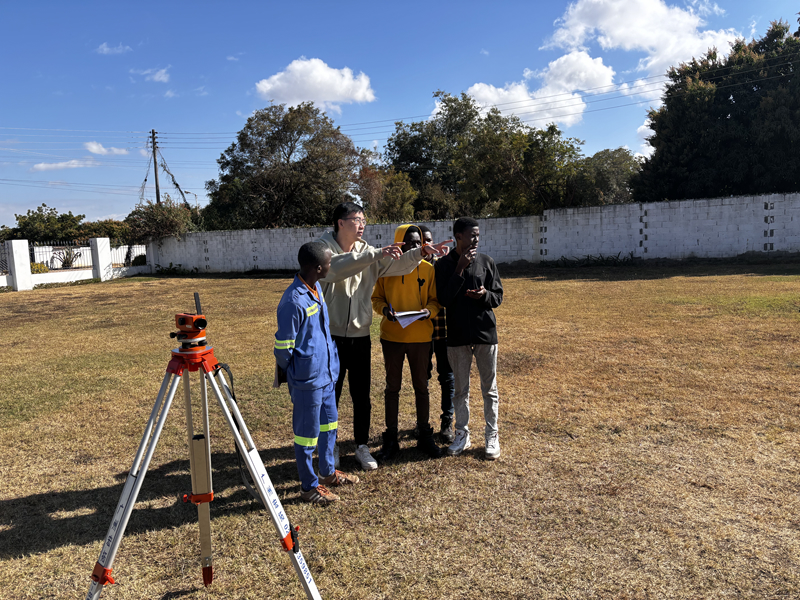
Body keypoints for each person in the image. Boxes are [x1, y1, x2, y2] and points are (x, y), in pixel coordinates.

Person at [318, 202, 451, 470]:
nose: (362, 224)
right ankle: (328, 444)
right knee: (330, 394)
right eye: (357, 219)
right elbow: (335, 268)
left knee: (361, 395)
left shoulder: (368, 251)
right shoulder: (322, 249)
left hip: (360, 335)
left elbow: (397, 265)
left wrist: (421, 253)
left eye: (364, 219)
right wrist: (376, 255)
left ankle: (362, 446)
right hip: (329, 336)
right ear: (340, 222)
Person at [274, 241, 360, 504]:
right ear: (317, 267)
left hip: (326, 376)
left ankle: (327, 472)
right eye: (329, 262)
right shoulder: (292, 301)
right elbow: (283, 349)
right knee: (306, 435)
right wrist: (298, 372)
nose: (331, 266)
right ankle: (309, 487)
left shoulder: (317, 287)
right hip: (307, 381)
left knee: (329, 426)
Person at [434, 217, 504, 460]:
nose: (476, 239)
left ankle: (492, 435)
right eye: (471, 235)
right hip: (457, 336)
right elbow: (443, 299)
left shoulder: (487, 262)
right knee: (460, 390)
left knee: (489, 389)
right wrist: (459, 269)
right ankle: (462, 434)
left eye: (478, 235)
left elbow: (498, 297)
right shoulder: (443, 265)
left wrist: (485, 295)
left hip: (485, 333)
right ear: (458, 236)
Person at [371, 224, 443, 460]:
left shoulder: (428, 269)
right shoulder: (386, 269)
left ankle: (424, 434)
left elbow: (435, 301)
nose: (414, 246)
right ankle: (391, 439)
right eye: (409, 242)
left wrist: (427, 312)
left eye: (417, 242)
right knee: (393, 388)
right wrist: (385, 310)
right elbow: (376, 298)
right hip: (392, 337)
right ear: (398, 242)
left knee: (421, 387)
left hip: (421, 338)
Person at [418, 224, 455, 444]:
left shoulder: (442, 267)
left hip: (443, 330)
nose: (428, 245)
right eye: (423, 241)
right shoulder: (410, 267)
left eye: (430, 240)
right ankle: (422, 423)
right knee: (422, 379)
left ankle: (447, 422)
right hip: (420, 334)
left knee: (447, 377)